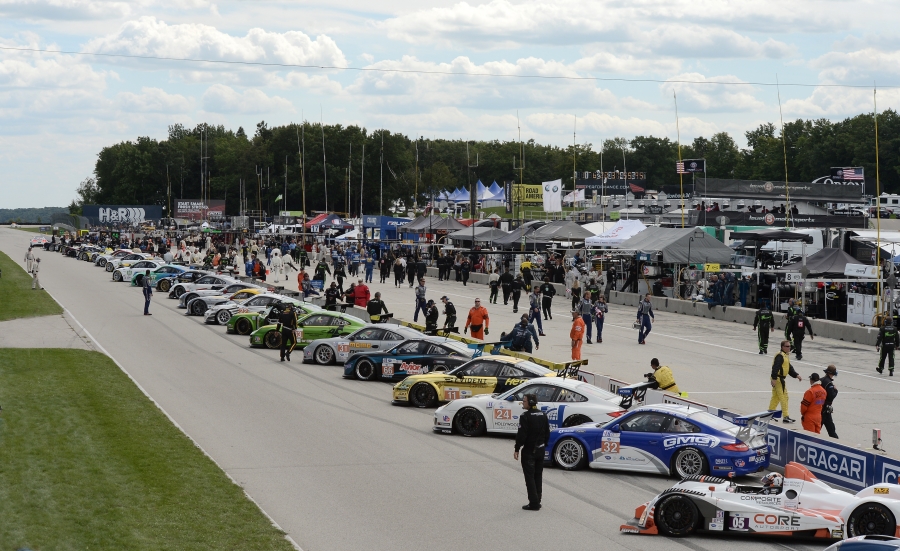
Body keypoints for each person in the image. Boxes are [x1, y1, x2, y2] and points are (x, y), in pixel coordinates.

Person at [514, 393, 550, 511]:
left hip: (529, 451)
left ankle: (534, 503)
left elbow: (522, 435)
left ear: (530, 403)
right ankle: (537, 500)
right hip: (541, 450)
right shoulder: (543, 415)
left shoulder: (525, 416)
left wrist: (517, 448)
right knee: (538, 476)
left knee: (529, 477)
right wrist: (544, 445)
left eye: (524, 401)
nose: (522, 403)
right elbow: (547, 433)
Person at [770, 340, 803, 423]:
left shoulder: (785, 355)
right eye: (787, 346)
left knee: (776, 397)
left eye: (789, 346)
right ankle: (786, 416)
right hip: (778, 379)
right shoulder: (780, 356)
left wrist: (796, 375)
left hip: (779, 378)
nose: (789, 348)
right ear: (782, 347)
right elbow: (775, 367)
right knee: (784, 397)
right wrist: (774, 379)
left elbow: (789, 367)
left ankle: (769, 414)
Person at [821, 365, 839, 438]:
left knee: (830, 427)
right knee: (830, 428)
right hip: (825, 408)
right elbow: (831, 396)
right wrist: (835, 390)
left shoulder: (821, 379)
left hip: (820, 406)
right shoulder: (829, 384)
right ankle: (836, 443)